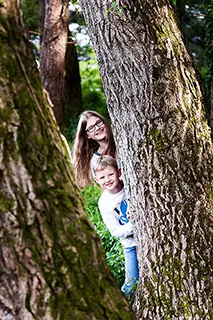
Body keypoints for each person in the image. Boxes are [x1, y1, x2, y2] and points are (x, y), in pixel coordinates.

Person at [94, 155, 139, 298]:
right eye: (102, 177)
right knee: (132, 283)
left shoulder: (130, 185)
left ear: (119, 172)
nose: (107, 180)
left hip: (148, 240)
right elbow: (115, 231)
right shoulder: (104, 203)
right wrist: (134, 225)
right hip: (130, 245)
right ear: (96, 180)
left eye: (110, 174)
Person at [72, 110, 116, 188]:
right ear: (87, 135)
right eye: (91, 128)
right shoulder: (95, 160)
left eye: (98, 122)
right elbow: (106, 188)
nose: (97, 128)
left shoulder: (123, 141)